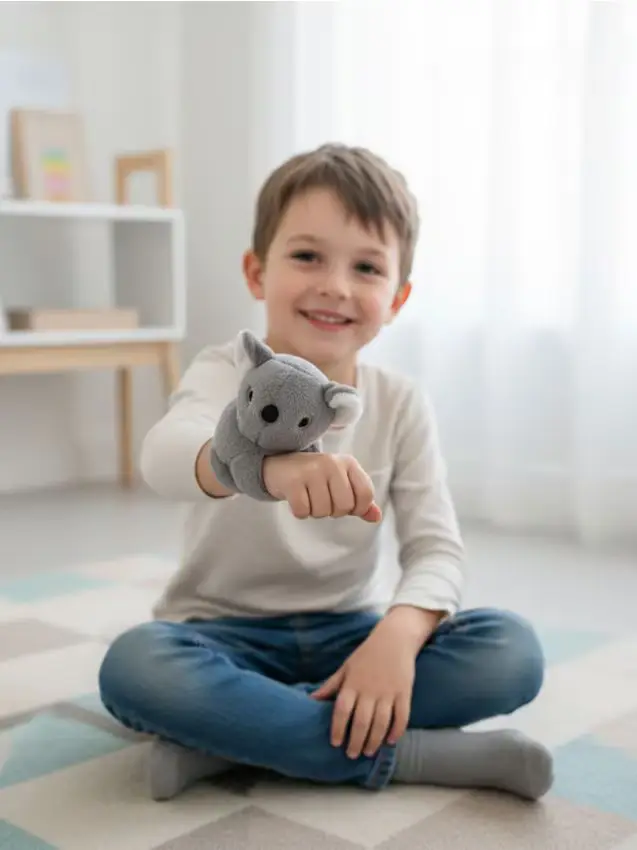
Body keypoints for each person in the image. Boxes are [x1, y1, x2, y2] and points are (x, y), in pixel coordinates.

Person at [98, 143, 553, 803]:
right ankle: (408, 755)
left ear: (396, 298)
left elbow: (435, 548)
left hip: (351, 634)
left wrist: (396, 638)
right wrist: (263, 470)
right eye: (307, 256)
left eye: (365, 268)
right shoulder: (224, 371)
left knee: (511, 650)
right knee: (135, 668)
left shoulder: (399, 401)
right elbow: (163, 457)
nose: (335, 286)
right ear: (256, 272)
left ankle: (232, 740)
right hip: (219, 633)